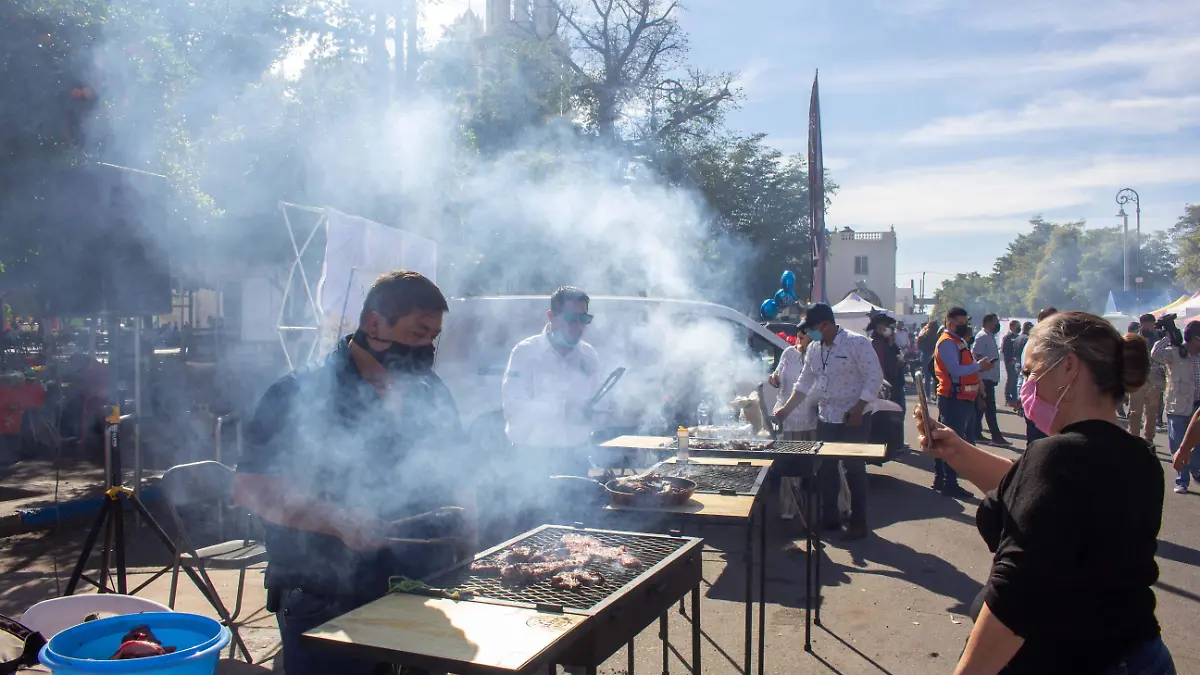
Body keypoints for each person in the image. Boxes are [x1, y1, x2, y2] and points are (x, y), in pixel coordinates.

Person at [915, 311, 1173, 675]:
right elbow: (1036, 495)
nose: (1028, 386)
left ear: (1069, 368)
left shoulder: (1057, 458)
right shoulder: (1137, 456)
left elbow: (1017, 597)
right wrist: (955, 449)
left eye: (1032, 372)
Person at [235, 271, 466, 675]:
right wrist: (336, 521)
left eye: (433, 336)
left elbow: (458, 470)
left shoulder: (431, 391)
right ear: (374, 325)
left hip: (420, 587)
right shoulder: (297, 393)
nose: (426, 348)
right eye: (417, 333)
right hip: (324, 599)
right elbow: (253, 488)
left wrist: (470, 538)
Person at [774, 302, 883, 540]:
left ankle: (858, 522)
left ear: (825, 325)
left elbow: (874, 377)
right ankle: (830, 518)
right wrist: (785, 409)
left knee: (854, 469)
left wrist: (858, 408)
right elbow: (803, 383)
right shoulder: (815, 348)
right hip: (827, 416)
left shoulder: (857, 343)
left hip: (854, 416)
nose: (808, 333)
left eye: (811, 328)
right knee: (827, 469)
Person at [500, 286, 604, 526]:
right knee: (533, 530)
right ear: (551, 316)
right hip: (533, 459)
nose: (578, 326)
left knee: (576, 531)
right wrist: (562, 409)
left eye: (584, 319)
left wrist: (598, 413)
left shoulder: (589, 355)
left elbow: (600, 405)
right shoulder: (526, 352)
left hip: (575, 458)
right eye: (570, 318)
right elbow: (514, 408)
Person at [932, 307, 992, 499]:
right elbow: (956, 370)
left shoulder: (958, 342)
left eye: (966, 322)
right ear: (950, 323)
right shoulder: (948, 343)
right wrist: (978, 366)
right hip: (953, 399)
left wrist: (978, 376)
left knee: (946, 439)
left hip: (961, 398)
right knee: (951, 442)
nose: (964, 326)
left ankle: (942, 479)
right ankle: (948, 482)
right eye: (961, 323)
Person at [769, 328, 817, 520]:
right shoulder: (789, 353)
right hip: (788, 418)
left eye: (807, 333)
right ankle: (790, 508)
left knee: (823, 466)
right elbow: (778, 374)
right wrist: (774, 379)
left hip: (811, 418)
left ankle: (840, 506)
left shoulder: (818, 354)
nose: (802, 336)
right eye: (801, 333)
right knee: (789, 467)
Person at [1151, 320, 1200, 494]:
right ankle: (1182, 480)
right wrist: (1167, 336)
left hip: (1198, 406)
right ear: (1195, 338)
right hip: (1178, 406)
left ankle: (1196, 469)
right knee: (1178, 445)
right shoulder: (1176, 352)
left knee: (1197, 444)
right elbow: (1155, 355)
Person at [867, 311, 906, 455]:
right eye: (887, 326)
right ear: (879, 327)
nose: (891, 329)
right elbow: (880, 367)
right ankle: (893, 446)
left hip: (895, 383)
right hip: (887, 386)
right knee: (892, 416)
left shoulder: (888, 343)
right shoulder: (876, 344)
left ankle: (897, 443)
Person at [1016, 308, 1058, 443]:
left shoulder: (1041, 341)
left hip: (1038, 398)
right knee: (1039, 441)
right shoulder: (1037, 343)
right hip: (1037, 398)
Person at [972, 314, 1010, 446]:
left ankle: (976, 433)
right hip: (984, 379)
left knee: (981, 409)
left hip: (989, 378)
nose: (997, 325)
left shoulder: (989, 337)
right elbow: (975, 355)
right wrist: (979, 369)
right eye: (995, 322)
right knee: (989, 409)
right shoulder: (982, 337)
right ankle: (996, 436)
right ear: (988, 323)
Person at [1128, 313, 1164, 441]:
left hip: (1155, 377)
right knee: (1135, 412)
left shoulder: (1159, 335)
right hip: (1138, 377)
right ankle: (1134, 438)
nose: (1151, 326)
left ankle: (1149, 439)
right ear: (1142, 323)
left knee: (1152, 411)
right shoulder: (1135, 338)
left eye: (1152, 323)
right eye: (1149, 323)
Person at [917, 320, 940, 401]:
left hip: (925, 355)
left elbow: (918, 345)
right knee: (936, 377)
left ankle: (928, 396)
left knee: (927, 377)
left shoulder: (923, 333)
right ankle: (936, 395)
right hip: (934, 356)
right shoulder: (937, 334)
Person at [1000, 320, 1021, 404]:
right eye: (1017, 326)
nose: (1018, 327)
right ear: (1012, 327)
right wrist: (1010, 359)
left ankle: (1014, 397)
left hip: (1016, 361)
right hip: (1010, 361)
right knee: (1011, 379)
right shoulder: (1008, 337)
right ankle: (1008, 397)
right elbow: (1005, 350)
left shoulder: (1018, 337)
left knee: (1015, 379)